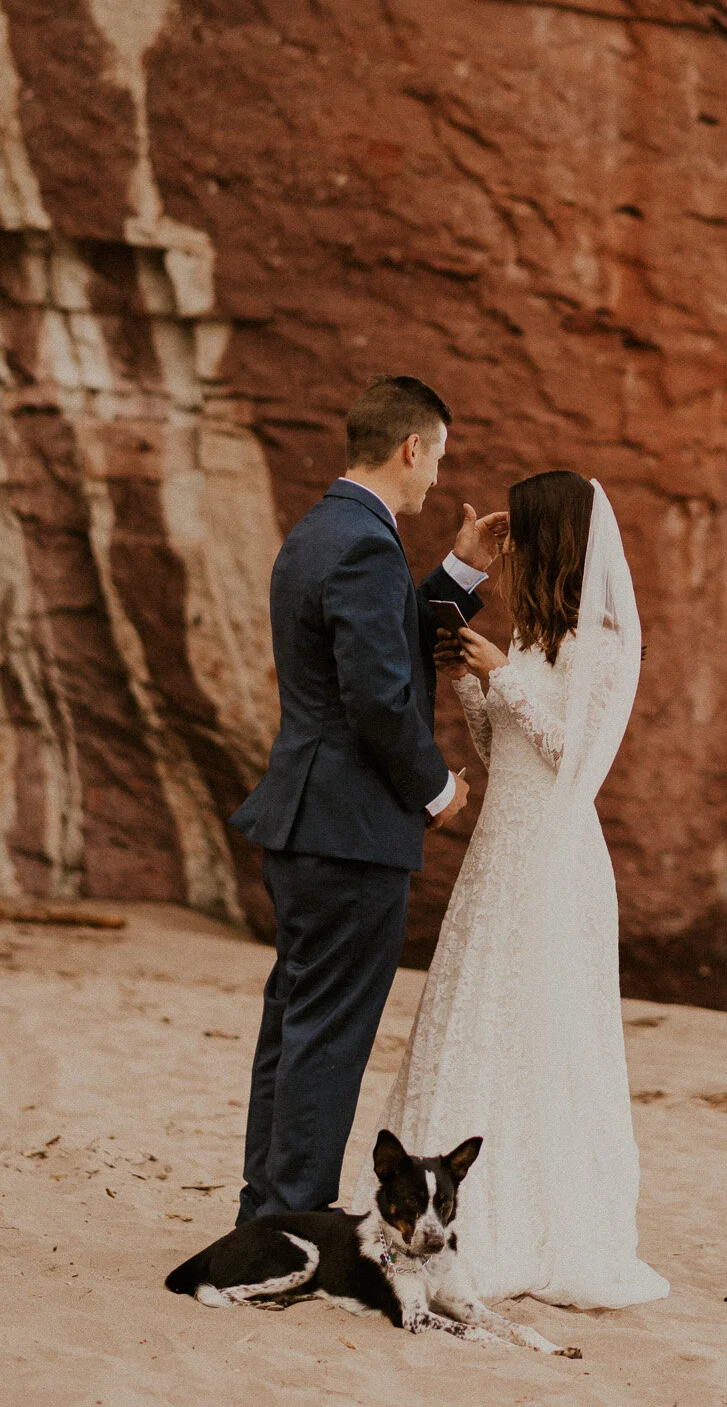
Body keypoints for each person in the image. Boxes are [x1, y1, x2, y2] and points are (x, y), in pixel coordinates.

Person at [354, 470, 668, 1310]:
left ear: (556, 539)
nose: (516, 549)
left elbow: (575, 758)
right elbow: (505, 755)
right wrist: (472, 673)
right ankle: (428, 1210)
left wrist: (505, 675)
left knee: (538, 1022)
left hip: (555, 854)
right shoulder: (531, 641)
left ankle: (529, 1220)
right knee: (472, 1008)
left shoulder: (601, 643)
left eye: (525, 534)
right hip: (501, 848)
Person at [229, 375, 508, 1225]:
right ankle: (290, 1221)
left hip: (308, 819)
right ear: (412, 448)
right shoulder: (362, 544)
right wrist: (435, 791)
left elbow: (386, 632)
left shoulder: (326, 531)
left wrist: (462, 567)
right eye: (438, 459)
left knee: (296, 1024)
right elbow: (378, 696)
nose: (434, 481)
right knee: (328, 1034)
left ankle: (268, 1211)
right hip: (349, 830)